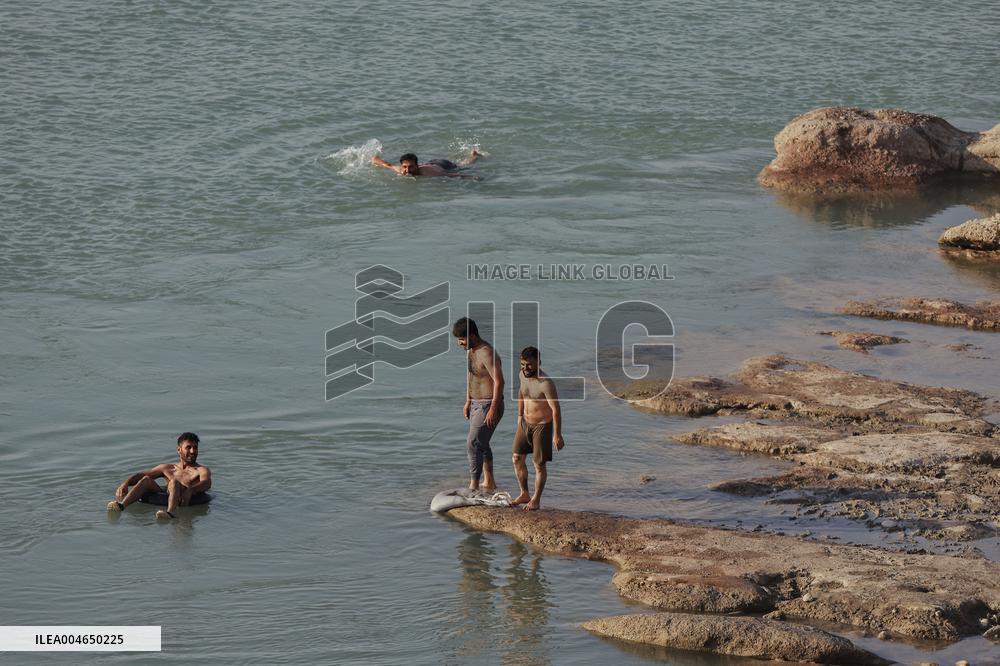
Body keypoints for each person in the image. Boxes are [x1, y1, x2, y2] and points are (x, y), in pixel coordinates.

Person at [106, 432, 212, 520]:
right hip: (167, 493)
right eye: (188, 447)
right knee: (146, 480)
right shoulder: (168, 468)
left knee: (174, 482)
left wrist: (190, 491)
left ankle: (170, 513)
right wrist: (126, 483)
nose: (193, 451)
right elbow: (143, 475)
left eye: (195, 448)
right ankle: (121, 506)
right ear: (179, 450)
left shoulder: (200, 469)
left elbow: (206, 483)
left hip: (187, 498)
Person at [453, 317, 504, 491]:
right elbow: (471, 376)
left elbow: (499, 381)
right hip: (475, 403)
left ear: (472, 336)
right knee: (482, 443)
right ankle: (489, 481)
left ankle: (473, 485)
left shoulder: (486, 352)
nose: (459, 343)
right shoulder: (471, 351)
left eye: (462, 339)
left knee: (472, 443)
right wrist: (468, 400)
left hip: (489, 404)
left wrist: (493, 409)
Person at [511, 347, 564, 511]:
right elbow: (521, 392)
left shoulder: (546, 383)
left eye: (529, 365)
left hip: (542, 426)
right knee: (516, 458)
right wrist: (519, 416)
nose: (525, 368)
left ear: (538, 363)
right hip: (525, 423)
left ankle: (536, 500)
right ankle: (524, 493)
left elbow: (556, 409)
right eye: (522, 364)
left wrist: (557, 434)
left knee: (539, 465)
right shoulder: (522, 375)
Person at [372, 150, 481, 178]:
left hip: (442, 165)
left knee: (463, 166)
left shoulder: (429, 172)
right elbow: (388, 165)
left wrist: (471, 177)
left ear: (417, 166)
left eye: (411, 167)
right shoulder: (402, 170)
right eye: (405, 167)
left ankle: (474, 156)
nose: (407, 170)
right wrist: (375, 159)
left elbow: (450, 175)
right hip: (430, 162)